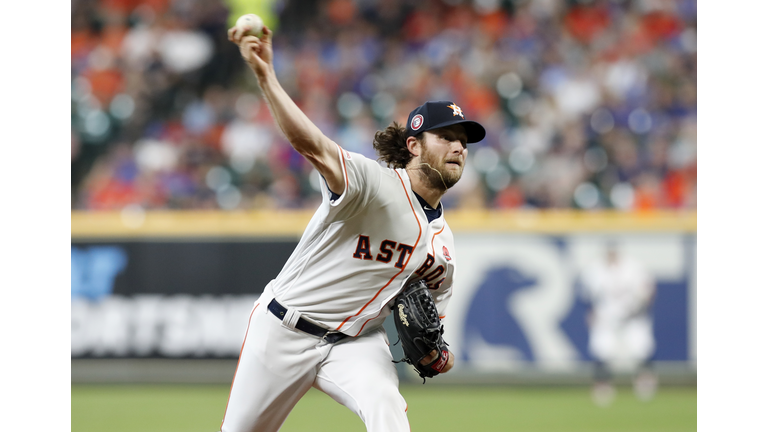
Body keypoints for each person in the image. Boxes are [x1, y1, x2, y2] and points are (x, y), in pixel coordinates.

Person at [218, 23, 486, 432]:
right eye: (446, 136)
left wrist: (441, 357)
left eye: (464, 142)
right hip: (283, 329)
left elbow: (438, 325)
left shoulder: (442, 246)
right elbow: (312, 144)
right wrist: (266, 77)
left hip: (356, 344)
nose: (459, 147)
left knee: (388, 411)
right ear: (413, 145)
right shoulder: (372, 184)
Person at [581, 242, 658, 406]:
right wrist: (590, 312)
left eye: (614, 252)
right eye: (609, 252)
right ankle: (602, 386)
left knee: (641, 347)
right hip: (607, 316)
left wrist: (642, 309)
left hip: (633, 314)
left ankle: (645, 383)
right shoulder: (595, 269)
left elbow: (649, 290)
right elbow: (587, 295)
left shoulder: (633, 267)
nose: (611, 255)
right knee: (601, 348)